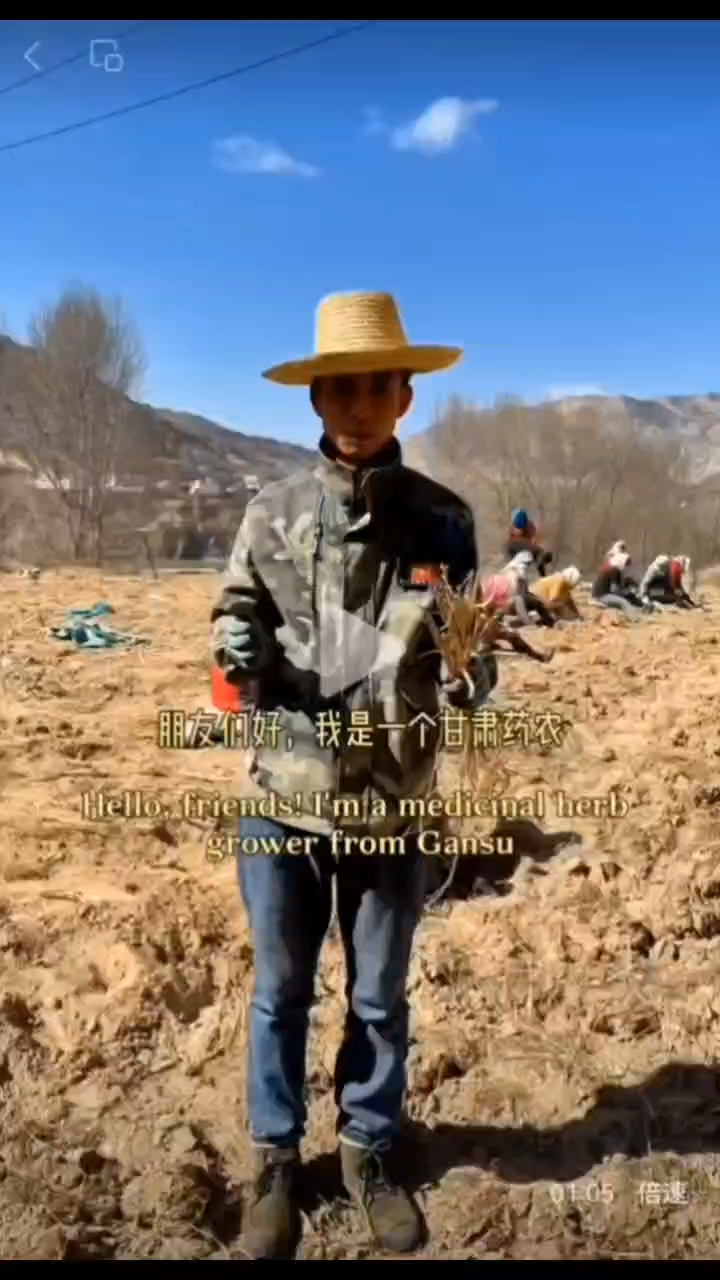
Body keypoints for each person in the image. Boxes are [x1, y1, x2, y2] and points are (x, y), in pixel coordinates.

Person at [210, 291, 497, 1259]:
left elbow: (468, 656)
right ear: (317, 399)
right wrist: (241, 647)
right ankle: (276, 1163)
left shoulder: (444, 523)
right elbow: (234, 612)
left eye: (377, 387)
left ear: (406, 394)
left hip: (393, 805)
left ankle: (369, 1151)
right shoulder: (271, 513)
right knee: (279, 990)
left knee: (379, 995)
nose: (359, 406)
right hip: (285, 799)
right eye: (341, 389)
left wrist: (469, 673)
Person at [484, 550, 556, 628]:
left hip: (512, 600)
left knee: (535, 601)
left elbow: (524, 591)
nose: (527, 566)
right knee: (520, 600)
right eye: (526, 563)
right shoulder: (514, 572)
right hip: (509, 601)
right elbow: (516, 592)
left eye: (528, 564)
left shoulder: (516, 572)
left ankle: (548, 622)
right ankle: (531, 625)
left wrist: (537, 599)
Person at [591, 549, 649, 619]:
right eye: (626, 564)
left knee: (630, 597)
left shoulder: (613, 566)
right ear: (622, 561)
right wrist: (627, 592)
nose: (627, 566)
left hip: (605, 593)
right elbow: (615, 590)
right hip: (601, 596)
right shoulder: (613, 570)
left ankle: (642, 609)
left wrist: (628, 585)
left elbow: (618, 584)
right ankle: (635, 618)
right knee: (623, 602)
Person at [504, 508, 553, 577]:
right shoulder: (512, 529)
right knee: (512, 547)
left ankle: (541, 560)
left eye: (521, 529)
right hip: (515, 548)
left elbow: (533, 541)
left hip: (528, 548)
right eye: (518, 529)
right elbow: (508, 542)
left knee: (534, 550)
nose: (519, 531)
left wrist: (534, 545)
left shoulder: (530, 527)